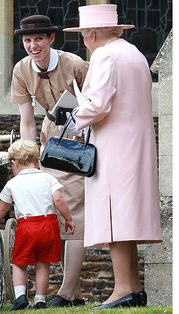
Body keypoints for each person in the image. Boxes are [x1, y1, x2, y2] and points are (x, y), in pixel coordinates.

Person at [63, 4, 163, 309]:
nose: (84, 41)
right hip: (136, 144)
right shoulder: (133, 54)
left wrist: (68, 118)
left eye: (83, 35)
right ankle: (133, 287)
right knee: (126, 215)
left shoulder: (104, 55)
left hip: (114, 146)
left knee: (115, 216)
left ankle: (121, 289)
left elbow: (97, 104)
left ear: (92, 33)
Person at [11, 14, 89, 307]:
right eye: (27, 40)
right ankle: (75, 293)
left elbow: (99, 103)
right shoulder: (21, 70)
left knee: (74, 213)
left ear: (51, 39)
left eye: (39, 39)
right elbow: (27, 120)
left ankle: (67, 292)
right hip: (48, 141)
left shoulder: (75, 64)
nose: (33, 45)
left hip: (79, 139)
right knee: (54, 212)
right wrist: (29, 160)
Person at [0, 139, 75, 311]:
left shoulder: (13, 183)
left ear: (14, 163)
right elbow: (59, 199)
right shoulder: (48, 178)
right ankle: (40, 299)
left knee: (19, 262)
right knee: (43, 263)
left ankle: (20, 296)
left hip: (27, 226)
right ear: (37, 161)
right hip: (48, 225)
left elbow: (2, 207)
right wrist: (68, 218)